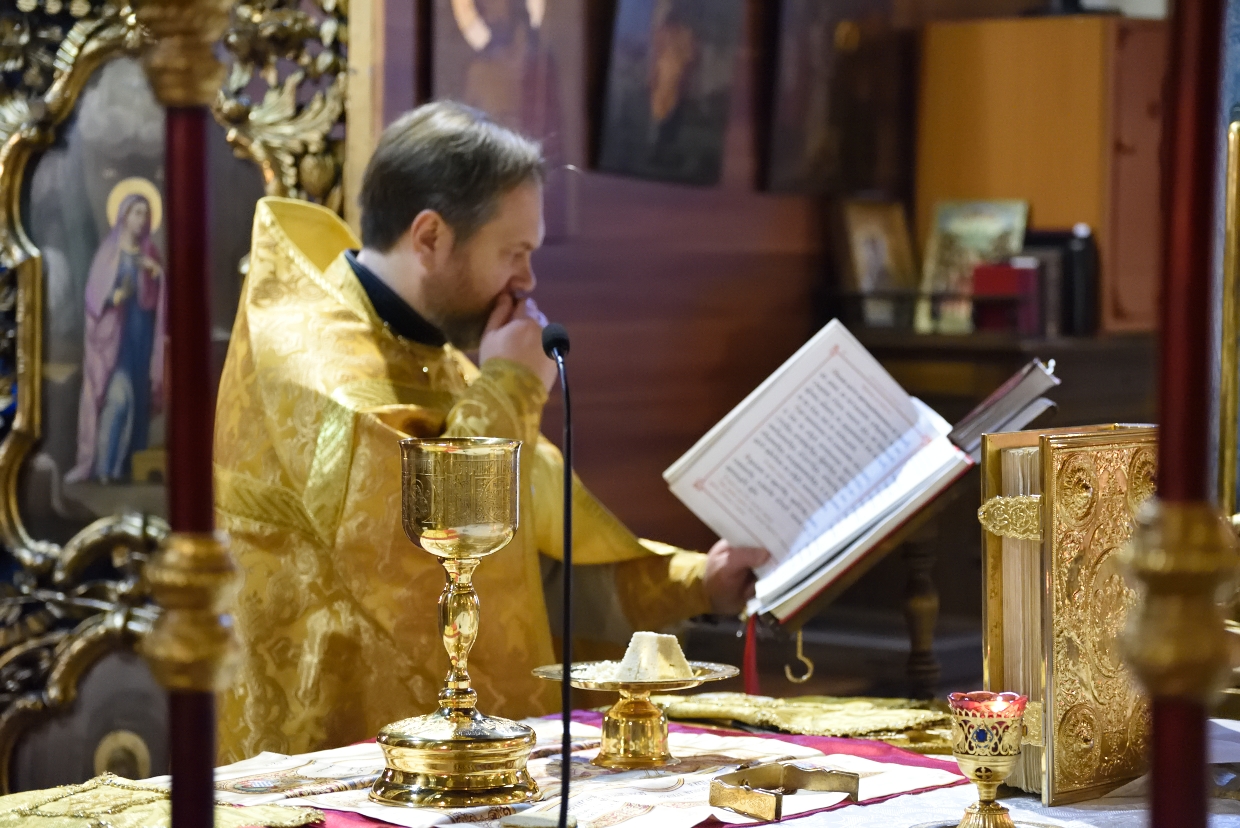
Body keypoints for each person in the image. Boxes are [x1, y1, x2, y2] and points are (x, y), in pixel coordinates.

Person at [213, 101, 768, 761]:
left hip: (454, 763)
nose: (528, 280)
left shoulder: (441, 359)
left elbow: (535, 558)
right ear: (430, 237)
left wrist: (698, 581)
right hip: (329, 761)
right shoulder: (309, 355)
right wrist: (511, 386)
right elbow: (426, 548)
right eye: (514, 253)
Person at [67, 192, 165, 484]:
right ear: (123, 216)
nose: (142, 220)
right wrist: (115, 297)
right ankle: (104, 468)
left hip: (141, 340)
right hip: (114, 342)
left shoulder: (150, 253)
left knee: (140, 402)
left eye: (145, 214)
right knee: (119, 400)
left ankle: (125, 470)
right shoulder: (108, 253)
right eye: (136, 213)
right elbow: (93, 299)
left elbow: (157, 302)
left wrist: (156, 274)